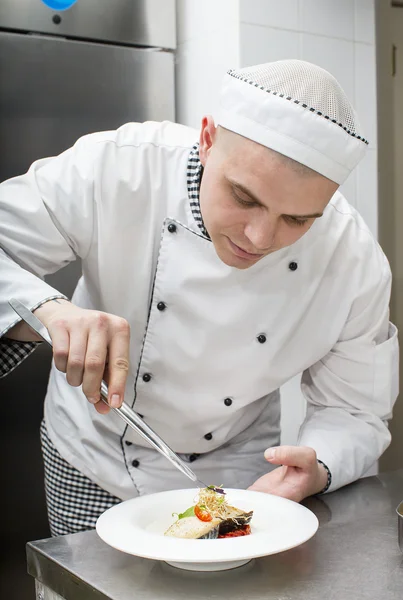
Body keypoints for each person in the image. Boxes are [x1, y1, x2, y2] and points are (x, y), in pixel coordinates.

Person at [0, 60, 398, 536]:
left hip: (243, 475)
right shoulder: (122, 165)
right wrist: (48, 309)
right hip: (94, 456)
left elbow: (354, 409)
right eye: (244, 198)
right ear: (207, 139)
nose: (260, 236)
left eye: (298, 219)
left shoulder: (352, 260)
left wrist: (321, 466)